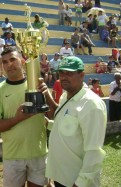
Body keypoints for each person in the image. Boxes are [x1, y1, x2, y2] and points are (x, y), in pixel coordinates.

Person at [0, 47, 48, 187]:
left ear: (22, 61)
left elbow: (51, 114)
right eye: (4, 62)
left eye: (12, 59)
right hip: (13, 156)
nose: (9, 64)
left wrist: (47, 95)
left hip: (38, 153)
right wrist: (17, 118)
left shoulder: (37, 85)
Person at [44, 56, 107, 186]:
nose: (64, 77)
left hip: (76, 182)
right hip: (61, 178)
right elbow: (69, 129)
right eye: (61, 73)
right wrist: (48, 124)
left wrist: (79, 183)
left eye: (70, 73)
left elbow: (94, 152)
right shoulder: (65, 96)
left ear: (82, 75)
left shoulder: (91, 105)